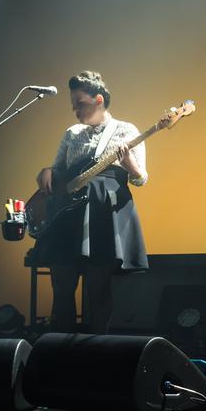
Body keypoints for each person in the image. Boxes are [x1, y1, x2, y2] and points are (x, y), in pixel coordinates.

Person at [35, 70, 148, 333]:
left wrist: (130, 166)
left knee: (98, 290)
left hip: (102, 213)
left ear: (99, 100)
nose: (74, 109)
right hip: (69, 214)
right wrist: (47, 172)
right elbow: (58, 170)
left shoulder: (126, 130)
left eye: (80, 103)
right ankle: (59, 353)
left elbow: (141, 179)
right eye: (73, 103)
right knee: (62, 289)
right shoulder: (72, 133)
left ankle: (98, 351)